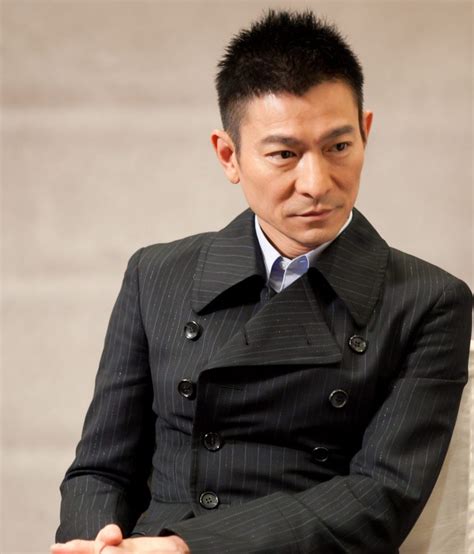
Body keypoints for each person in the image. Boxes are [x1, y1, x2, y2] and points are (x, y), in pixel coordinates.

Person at [52, 9, 472, 554]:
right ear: (229, 156)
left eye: (339, 147)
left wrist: (185, 548)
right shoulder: (156, 273)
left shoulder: (429, 299)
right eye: (284, 155)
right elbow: (101, 469)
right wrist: (96, 543)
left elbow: (380, 498)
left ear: (366, 133)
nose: (316, 183)